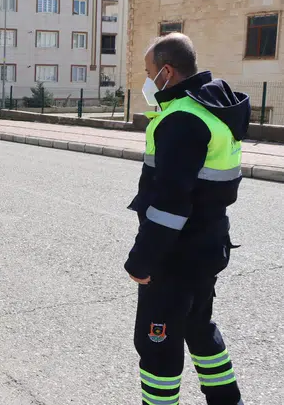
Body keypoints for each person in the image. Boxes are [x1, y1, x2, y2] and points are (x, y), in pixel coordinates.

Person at [125, 32, 249, 405]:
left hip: (175, 258)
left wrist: (142, 260)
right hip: (207, 246)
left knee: (157, 344)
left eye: (149, 72)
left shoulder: (181, 120)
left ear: (167, 71)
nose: (147, 81)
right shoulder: (213, 109)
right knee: (198, 328)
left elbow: (170, 203)